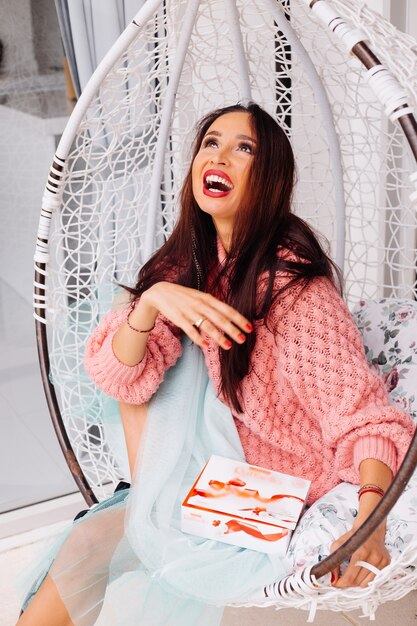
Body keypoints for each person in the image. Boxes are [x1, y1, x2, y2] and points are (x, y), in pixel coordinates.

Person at [17, 102, 414, 625]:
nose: (219, 157)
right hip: (205, 473)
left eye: (243, 148)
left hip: (273, 492)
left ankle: (146, 510)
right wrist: (154, 300)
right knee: (133, 334)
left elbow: (368, 421)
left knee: (91, 547)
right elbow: (117, 379)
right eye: (210, 143)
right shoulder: (188, 265)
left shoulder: (297, 295)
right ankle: (146, 505)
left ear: (268, 178)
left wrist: (370, 524)